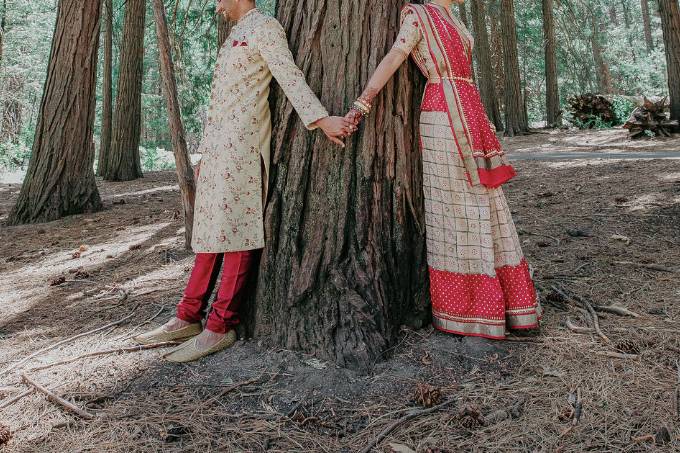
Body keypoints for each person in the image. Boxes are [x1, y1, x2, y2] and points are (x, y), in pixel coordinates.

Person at [134, 0, 356, 362]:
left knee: (239, 231)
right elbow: (219, 100)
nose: (215, 5)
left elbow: (289, 76)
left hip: (244, 147)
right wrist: (205, 152)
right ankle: (188, 316)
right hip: (218, 150)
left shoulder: (265, 28)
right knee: (209, 230)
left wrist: (321, 119)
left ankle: (219, 326)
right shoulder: (234, 34)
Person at [345, 0, 541, 339]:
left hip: (469, 110)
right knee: (457, 205)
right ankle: (470, 309)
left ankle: (508, 305)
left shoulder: (456, 19)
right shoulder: (418, 15)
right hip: (442, 116)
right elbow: (395, 56)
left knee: (485, 200)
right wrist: (362, 103)